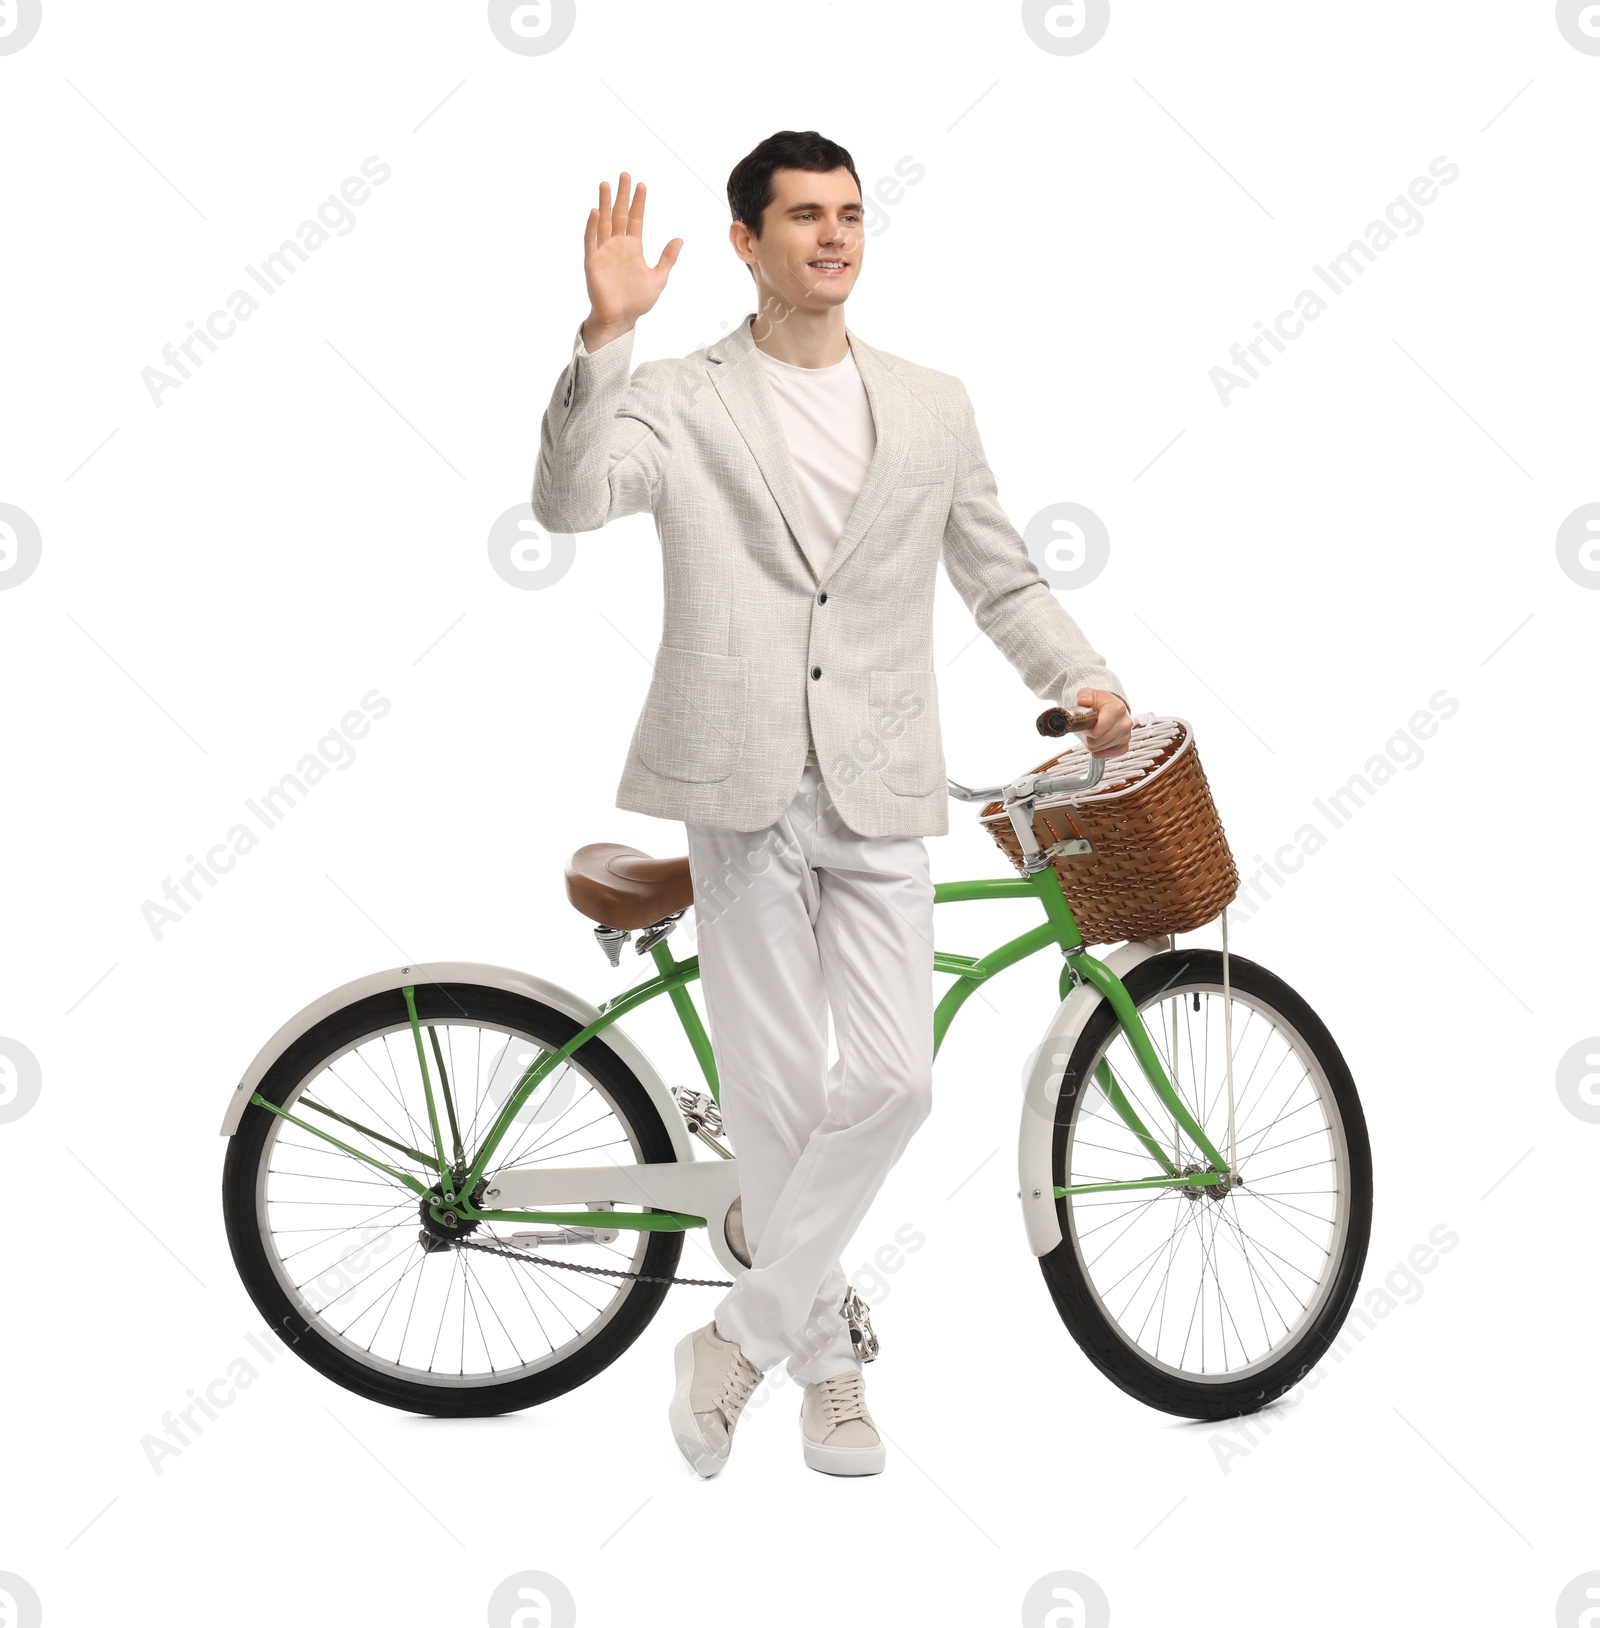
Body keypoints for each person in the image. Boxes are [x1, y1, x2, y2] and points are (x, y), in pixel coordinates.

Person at [532, 130, 1132, 1479]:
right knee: (783, 1101)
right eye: (804, 216)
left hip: (881, 784)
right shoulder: (684, 396)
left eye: (851, 214)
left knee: (899, 1081)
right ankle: (835, 1369)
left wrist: (1085, 679)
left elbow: (1000, 576)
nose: (834, 236)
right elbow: (567, 503)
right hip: (737, 787)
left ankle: (736, 1339)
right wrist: (605, 335)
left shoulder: (929, 403)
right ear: (747, 243)